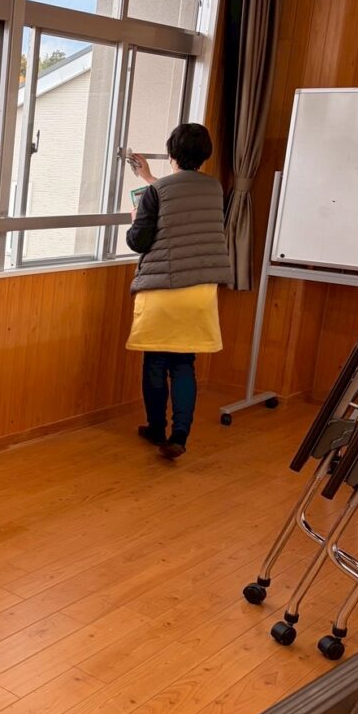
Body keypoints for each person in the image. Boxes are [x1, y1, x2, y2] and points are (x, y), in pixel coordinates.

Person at [125, 124, 231, 461]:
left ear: (171, 152)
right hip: (200, 290)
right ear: (205, 155)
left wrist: (136, 218)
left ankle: (156, 428)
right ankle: (180, 435)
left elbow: (138, 241)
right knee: (184, 363)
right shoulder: (213, 188)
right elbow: (183, 199)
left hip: (162, 288)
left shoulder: (157, 194)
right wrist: (148, 177)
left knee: (156, 362)